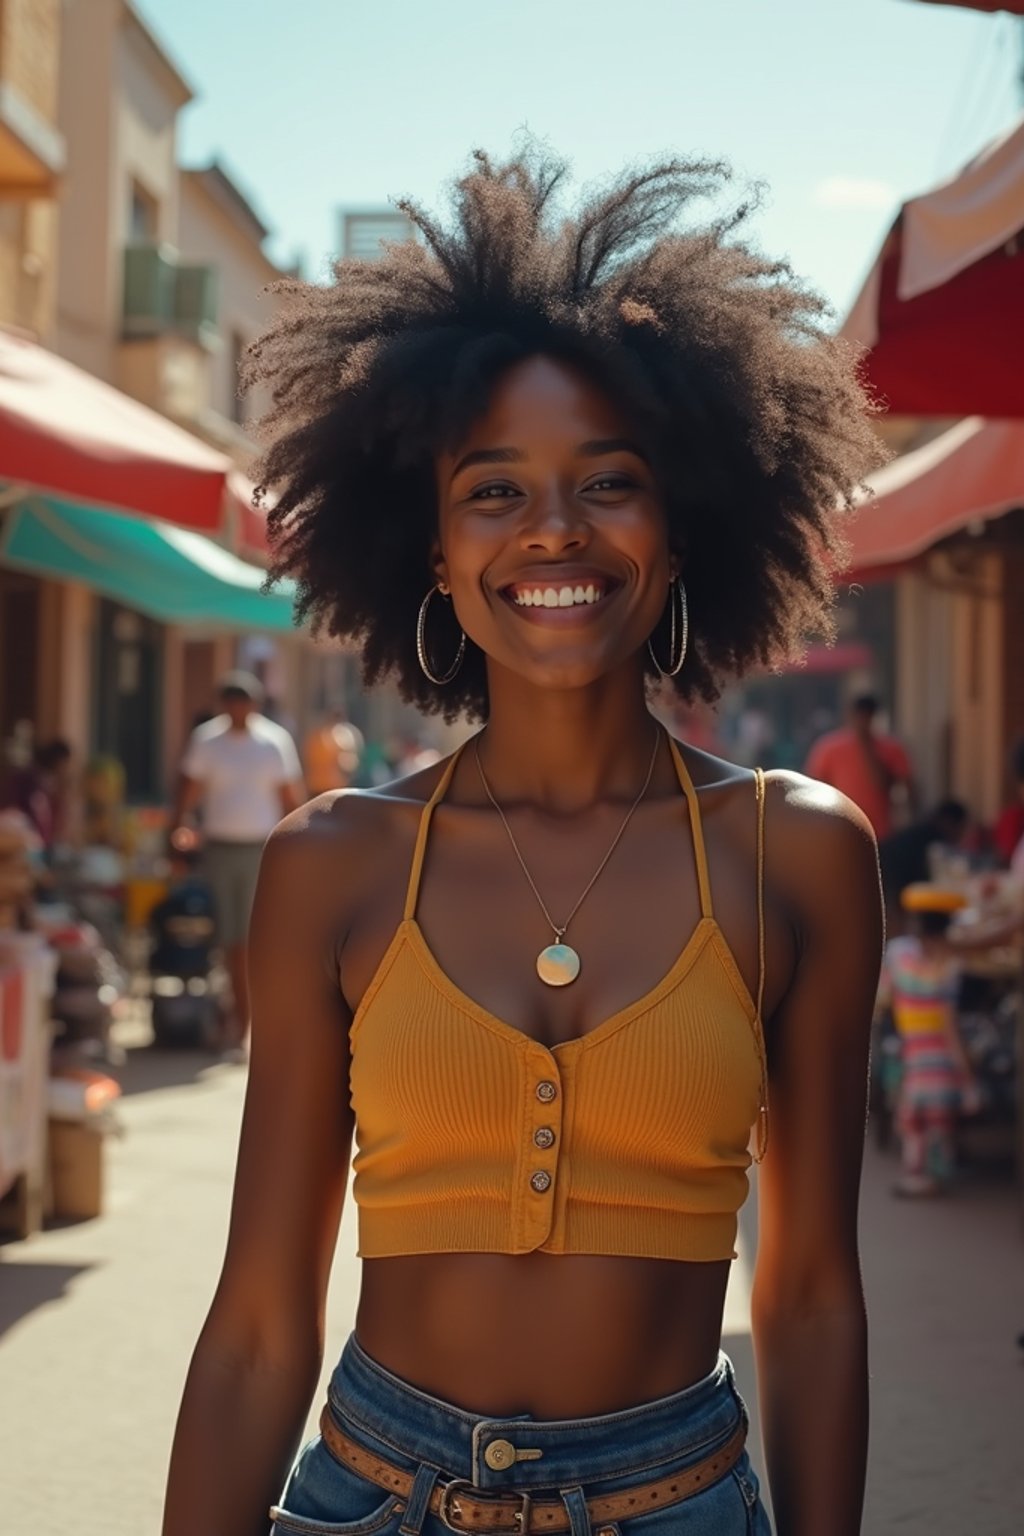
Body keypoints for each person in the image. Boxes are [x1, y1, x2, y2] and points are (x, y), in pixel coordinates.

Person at [163, 151, 886, 1536]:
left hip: (678, 1499)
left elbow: (807, 1297)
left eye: (608, 482)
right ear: (431, 551)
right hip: (369, 1494)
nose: (553, 529)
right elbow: (260, 1322)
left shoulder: (797, 852)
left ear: (680, 534)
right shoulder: (335, 864)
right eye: (493, 490)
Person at [171, 672, 305, 1059]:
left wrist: (299, 846)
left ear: (255, 705)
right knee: (227, 939)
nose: (237, 711)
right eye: (230, 703)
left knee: (252, 940)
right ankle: (234, 1020)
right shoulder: (208, 741)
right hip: (219, 847)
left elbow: (289, 797)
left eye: (243, 703)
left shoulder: (273, 742)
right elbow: (190, 788)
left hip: (261, 849)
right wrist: (178, 828)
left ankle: (249, 1025)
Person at [804, 694, 914, 841]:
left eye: (867, 716)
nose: (863, 721)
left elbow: (901, 786)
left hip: (881, 833)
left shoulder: (891, 749)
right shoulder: (829, 747)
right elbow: (813, 787)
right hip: (841, 830)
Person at [878, 799, 969, 927]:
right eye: (960, 828)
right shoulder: (929, 840)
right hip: (888, 871)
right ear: (948, 822)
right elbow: (925, 880)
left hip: (888, 869)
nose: (960, 834)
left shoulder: (926, 833)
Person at [304, 710, 365, 795]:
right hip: (334, 787)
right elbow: (349, 762)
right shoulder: (343, 736)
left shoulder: (316, 735)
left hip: (315, 785)